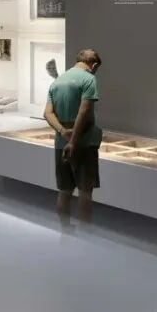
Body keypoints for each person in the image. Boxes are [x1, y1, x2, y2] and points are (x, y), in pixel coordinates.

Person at [44, 49, 102, 221]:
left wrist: (63, 132)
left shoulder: (57, 81)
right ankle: (85, 231)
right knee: (85, 192)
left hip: (61, 143)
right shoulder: (89, 79)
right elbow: (84, 112)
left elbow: (47, 113)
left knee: (64, 191)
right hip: (83, 143)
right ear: (94, 65)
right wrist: (73, 141)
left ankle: (64, 231)